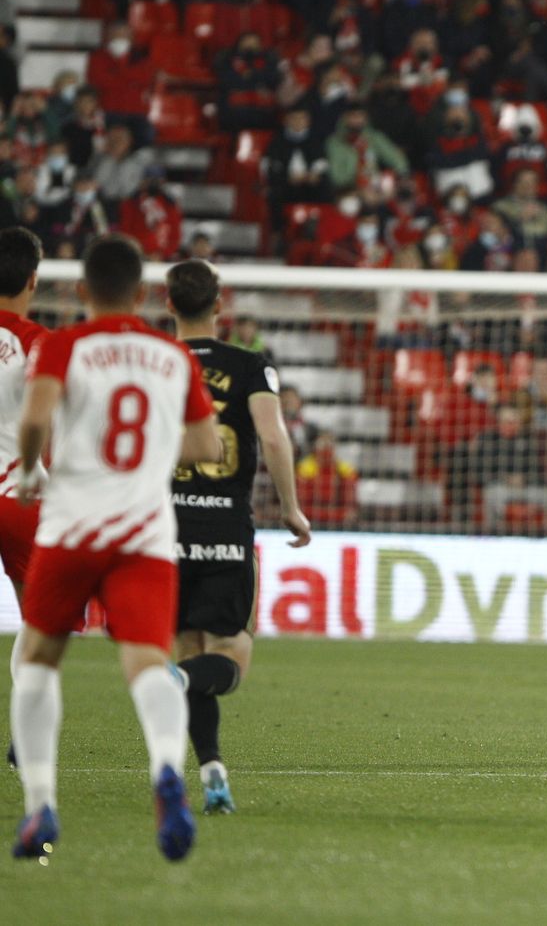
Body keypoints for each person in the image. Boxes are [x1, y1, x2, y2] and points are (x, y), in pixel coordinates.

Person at [10, 233, 223, 862]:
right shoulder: (172, 356)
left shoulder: (65, 345)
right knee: (148, 665)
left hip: (73, 526)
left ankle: (40, 805)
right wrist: (155, 453)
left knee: (39, 660)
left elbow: (35, 417)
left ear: (81, 291)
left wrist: (28, 469)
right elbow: (209, 447)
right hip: (145, 536)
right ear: (142, 294)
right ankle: (166, 768)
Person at [164, 260, 312, 816]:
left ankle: (212, 772)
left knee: (188, 651)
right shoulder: (251, 365)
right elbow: (273, 438)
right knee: (229, 659)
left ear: (169, 303)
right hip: (226, 527)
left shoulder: (155, 362)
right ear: (218, 305)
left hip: (165, 526)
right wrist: (291, 509)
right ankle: (169, 682)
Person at [0, 229, 46, 770]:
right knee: (40, 618)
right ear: (33, 279)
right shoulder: (39, 342)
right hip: (20, 494)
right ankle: (24, 733)